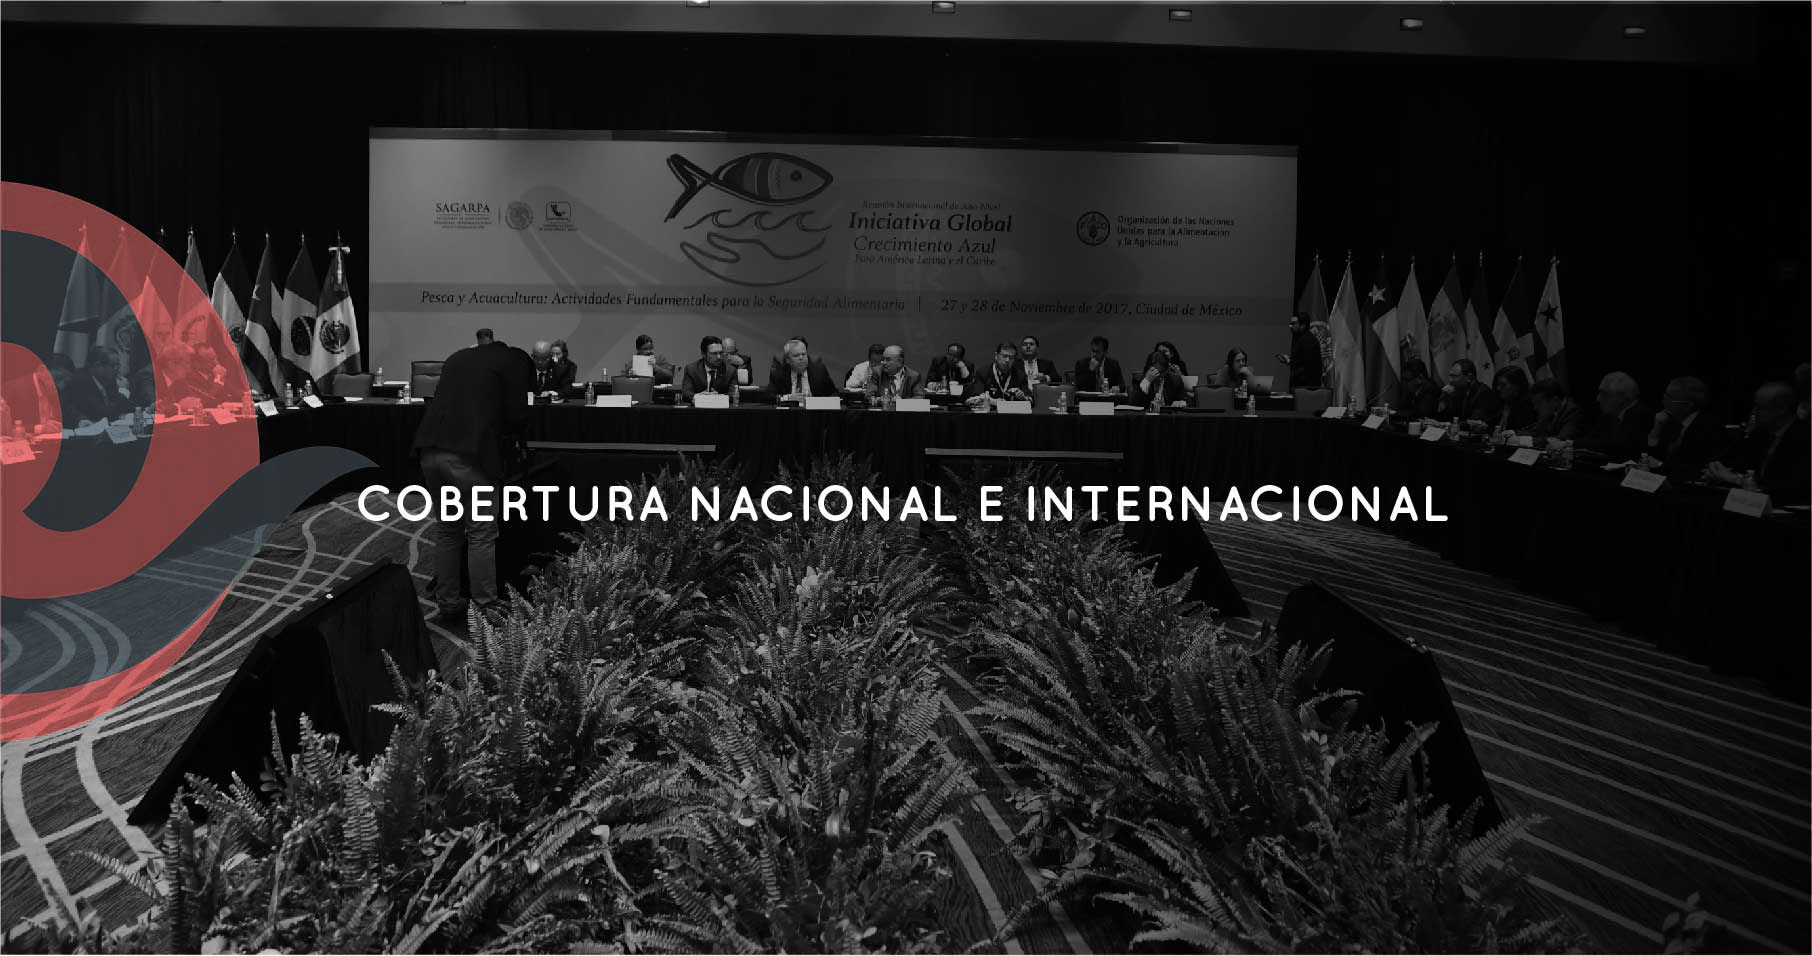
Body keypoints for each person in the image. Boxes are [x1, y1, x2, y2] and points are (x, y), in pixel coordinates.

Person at [412, 334, 534, 626]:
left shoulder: (458, 357)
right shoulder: (515, 362)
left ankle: (448, 601)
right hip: (467, 457)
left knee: (448, 529)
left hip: (429, 451)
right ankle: (486, 606)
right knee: (480, 532)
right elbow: (517, 414)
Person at [1705, 382, 1809, 504]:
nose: (1754, 412)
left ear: (1781, 410)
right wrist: (1716, 471)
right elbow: (1735, 465)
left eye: (1759, 407)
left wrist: (1737, 479)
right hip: (1752, 505)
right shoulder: (1760, 435)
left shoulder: (1805, 437)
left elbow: (1793, 487)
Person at [1642, 376, 1726, 480]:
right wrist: (1656, 430)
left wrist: (1660, 465)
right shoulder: (1669, 421)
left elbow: (1696, 468)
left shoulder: (1709, 428)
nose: (1664, 401)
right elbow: (1650, 458)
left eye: (1670, 398)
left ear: (1689, 405)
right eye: (1665, 396)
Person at [1583, 371, 1652, 460]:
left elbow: (1618, 447)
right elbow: (1591, 439)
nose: (1598, 399)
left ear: (1621, 397)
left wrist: (1572, 443)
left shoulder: (1640, 415)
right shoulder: (1609, 415)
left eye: (1604, 394)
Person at [60, 346, 136, 425]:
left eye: (118, 365)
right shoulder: (81, 381)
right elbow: (103, 415)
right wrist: (123, 391)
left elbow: (129, 408)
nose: (118, 369)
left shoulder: (109, 380)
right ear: (98, 366)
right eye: (114, 366)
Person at [768, 336, 839, 398]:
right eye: (796, 355)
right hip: (790, 409)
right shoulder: (779, 374)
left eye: (804, 354)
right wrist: (788, 398)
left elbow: (833, 393)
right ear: (788, 360)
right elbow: (769, 396)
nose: (801, 358)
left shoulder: (819, 371)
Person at [1435, 359, 1500, 425]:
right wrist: (1445, 398)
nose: (1450, 380)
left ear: (1469, 377)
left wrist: (1446, 424)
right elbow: (1447, 419)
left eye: (1454, 376)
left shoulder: (1484, 393)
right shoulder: (1459, 391)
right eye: (1450, 376)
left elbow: (1473, 423)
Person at [966, 342, 1031, 404]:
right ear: (996, 356)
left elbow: (1031, 399)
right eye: (1004, 356)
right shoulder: (983, 372)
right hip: (991, 410)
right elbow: (974, 399)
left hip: (1012, 410)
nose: (1007, 360)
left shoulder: (1020, 375)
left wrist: (1023, 398)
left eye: (1011, 357)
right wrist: (993, 401)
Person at [1525, 379, 1587, 444]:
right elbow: (1535, 432)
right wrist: (1517, 435)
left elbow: (1561, 440)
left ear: (1555, 400)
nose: (1535, 408)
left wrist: (1528, 441)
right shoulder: (1550, 411)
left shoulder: (1573, 412)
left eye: (1539, 403)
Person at [1274, 312, 1323, 389]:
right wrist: (1289, 360)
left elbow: (1308, 366)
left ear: (1303, 325)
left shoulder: (1308, 340)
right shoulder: (1302, 339)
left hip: (1306, 388)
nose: (1290, 326)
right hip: (1302, 386)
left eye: (1293, 323)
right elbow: (1301, 361)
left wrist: (1290, 361)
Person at [679, 335, 734, 402]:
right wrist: (700, 397)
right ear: (703, 354)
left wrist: (718, 397)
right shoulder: (692, 369)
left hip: (721, 407)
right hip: (699, 407)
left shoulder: (730, 371)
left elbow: (734, 395)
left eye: (720, 353)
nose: (719, 357)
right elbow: (686, 393)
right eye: (714, 353)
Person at [1489, 367, 1537, 432]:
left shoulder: (1528, 406)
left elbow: (1524, 431)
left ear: (1517, 386)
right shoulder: (1500, 403)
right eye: (1498, 384)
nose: (1498, 388)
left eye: (1503, 385)